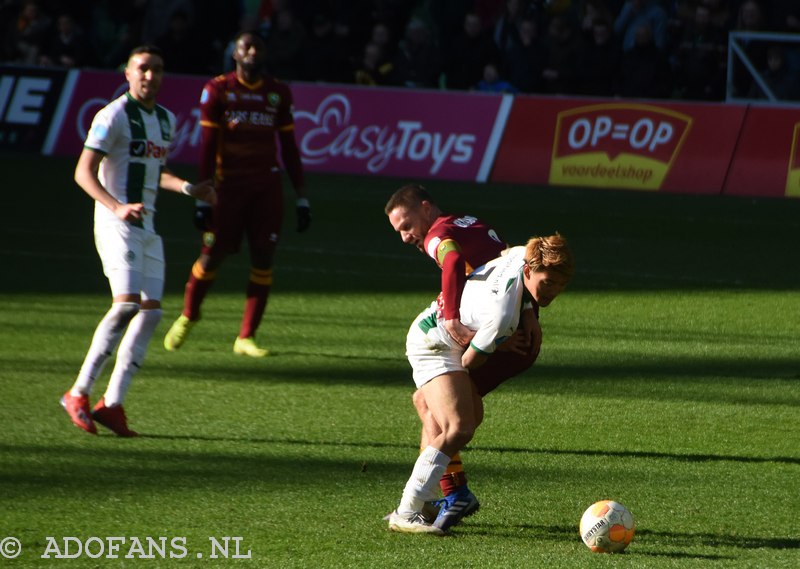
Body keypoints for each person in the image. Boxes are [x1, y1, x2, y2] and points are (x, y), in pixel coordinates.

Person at [61, 45, 216, 437]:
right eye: (143, 69)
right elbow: (83, 172)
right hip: (117, 223)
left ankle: (112, 404)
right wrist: (116, 207)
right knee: (127, 305)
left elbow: (153, 171)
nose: (151, 76)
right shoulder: (112, 115)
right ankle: (77, 392)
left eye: (158, 70)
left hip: (147, 227)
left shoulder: (164, 120)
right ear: (128, 74)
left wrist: (188, 188)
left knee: (152, 313)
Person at [388, 234, 575, 534]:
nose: (553, 291)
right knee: (458, 427)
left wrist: (528, 309)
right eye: (547, 283)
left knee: (470, 415)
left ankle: (427, 503)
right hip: (432, 343)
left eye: (560, 285)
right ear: (529, 271)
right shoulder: (503, 319)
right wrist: (497, 343)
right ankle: (406, 512)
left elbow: (507, 252)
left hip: (440, 332)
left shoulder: (520, 256)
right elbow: (468, 362)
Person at [384, 184, 541, 519]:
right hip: (511, 331)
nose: (405, 237)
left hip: (500, 337)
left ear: (426, 208)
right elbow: (511, 262)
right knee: (432, 405)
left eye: (406, 226)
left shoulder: (437, 235)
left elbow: (452, 259)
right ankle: (448, 494)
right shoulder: (469, 223)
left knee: (449, 417)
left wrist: (453, 318)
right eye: (398, 231)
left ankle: (447, 495)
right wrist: (528, 312)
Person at [163, 30, 310, 357]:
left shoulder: (277, 93)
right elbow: (207, 147)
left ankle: (246, 337)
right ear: (235, 53)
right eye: (247, 47)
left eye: (258, 46)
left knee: (263, 257)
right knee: (211, 255)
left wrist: (301, 196)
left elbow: (289, 148)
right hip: (227, 188)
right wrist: (203, 197)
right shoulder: (218, 90)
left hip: (266, 189)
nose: (253, 52)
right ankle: (189, 315)